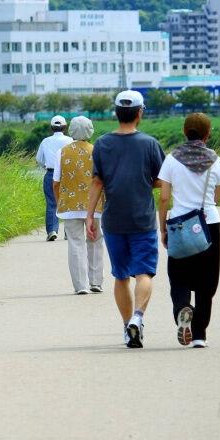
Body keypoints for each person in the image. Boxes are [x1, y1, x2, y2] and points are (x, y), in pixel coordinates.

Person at [86, 90, 165, 348]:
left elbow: (97, 181)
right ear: (140, 113)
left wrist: (90, 216)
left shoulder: (103, 143)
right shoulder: (150, 144)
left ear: (116, 113)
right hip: (142, 219)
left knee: (121, 276)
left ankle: (126, 327)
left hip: (113, 220)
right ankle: (138, 318)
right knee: (144, 273)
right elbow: (161, 180)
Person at [157, 113, 220, 348]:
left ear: (185, 132)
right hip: (209, 223)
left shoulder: (171, 159)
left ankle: (182, 309)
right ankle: (199, 335)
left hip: (179, 224)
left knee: (179, 278)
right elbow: (217, 195)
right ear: (207, 134)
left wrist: (162, 227)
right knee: (207, 284)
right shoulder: (215, 159)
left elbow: (164, 197)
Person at [53, 116, 105, 295]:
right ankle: (96, 282)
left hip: (70, 205)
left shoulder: (62, 152)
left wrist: (60, 200)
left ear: (71, 131)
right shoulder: (98, 150)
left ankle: (80, 285)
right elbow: (103, 179)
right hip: (95, 204)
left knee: (75, 244)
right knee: (95, 240)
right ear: (90, 131)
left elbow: (56, 182)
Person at [36, 115, 73, 241]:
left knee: (52, 203)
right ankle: (68, 232)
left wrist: (44, 166)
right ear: (65, 128)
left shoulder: (45, 141)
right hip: (67, 174)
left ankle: (52, 230)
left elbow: (39, 159)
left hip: (51, 173)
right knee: (68, 203)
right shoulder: (70, 141)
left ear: (51, 128)